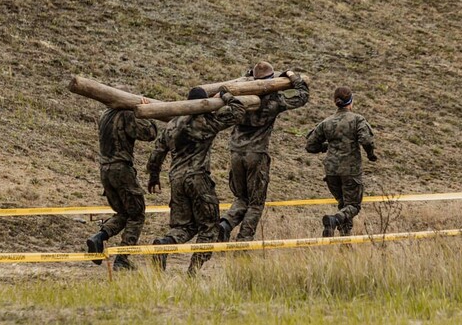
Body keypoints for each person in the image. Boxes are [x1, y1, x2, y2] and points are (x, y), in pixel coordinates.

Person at [147, 87, 246, 276]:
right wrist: (225, 95)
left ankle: (164, 244)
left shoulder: (172, 124)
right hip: (198, 178)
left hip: (176, 180)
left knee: (184, 226)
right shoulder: (207, 120)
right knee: (210, 228)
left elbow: (157, 152)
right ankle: (193, 271)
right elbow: (238, 111)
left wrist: (153, 176)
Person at [218, 61, 309, 242]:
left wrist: (249, 74)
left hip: (235, 152)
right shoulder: (274, 102)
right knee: (256, 202)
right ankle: (244, 240)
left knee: (241, 197)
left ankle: (225, 225)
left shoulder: (239, 100)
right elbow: (302, 96)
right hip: (257, 154)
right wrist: (292, 76)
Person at [86, 97, 158, 271]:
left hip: (105, 170)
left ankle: (99, 237)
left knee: (124, 213)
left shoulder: (105, 115)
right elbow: (149, 134)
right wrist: (147, 113)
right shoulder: (126, 114)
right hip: (121, 170)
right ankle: (123, 258)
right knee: (137, 215)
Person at [305, 86, 377, 237]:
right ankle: (334, 220)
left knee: (343, 204)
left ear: (334, 102)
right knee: (353, 206)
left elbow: (310, 146)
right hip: (350, 170)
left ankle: (345, 240)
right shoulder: (357, 119)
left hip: (331, 172)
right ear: (351, 102)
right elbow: (366, 140)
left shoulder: (326, 122)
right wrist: (371, 155)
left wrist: (327, 146)